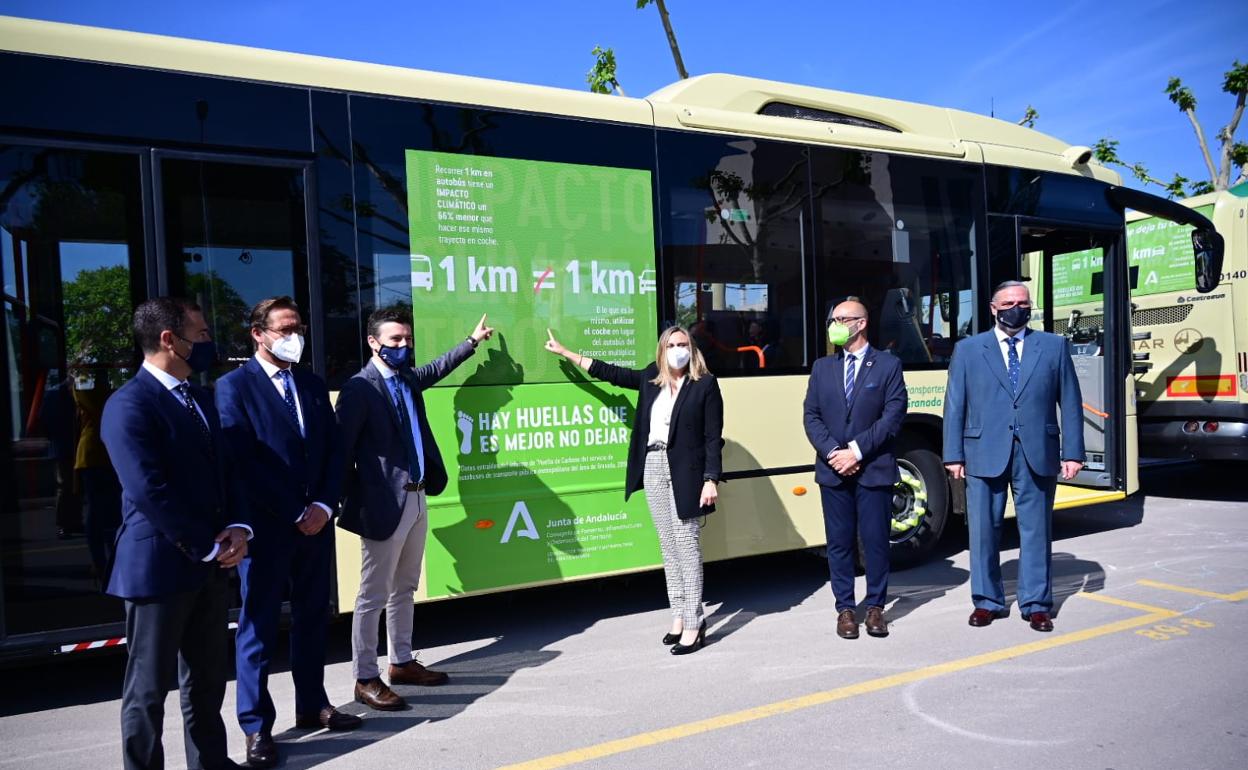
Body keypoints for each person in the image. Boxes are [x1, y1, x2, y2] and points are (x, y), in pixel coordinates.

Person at [100, 297, 252, 770]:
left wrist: (238, 529)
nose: (208, 343)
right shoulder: (128, 405)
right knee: (147, 690)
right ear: (170, 339)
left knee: (207, 682)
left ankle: (211, 763)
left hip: (209, 563)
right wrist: (206, 545)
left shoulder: (200, 397)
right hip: (160, 568)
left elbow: (229, 470)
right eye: (201, 334)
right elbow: (148, 490)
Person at [215, 297, 360, 769]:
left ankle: (312, 703)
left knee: (313, 617)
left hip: (315, 525)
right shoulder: (233, 387)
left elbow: (334, 452)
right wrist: (295, 508)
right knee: (257, 629)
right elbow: (243, 462)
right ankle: (256, 727)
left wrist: (322, 505)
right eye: (284, 328)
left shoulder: (312, 385)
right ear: (258, 334)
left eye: (298, 326)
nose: (294, 334)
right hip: (266, 530)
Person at [336, 307, 494, 710]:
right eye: (395, 340)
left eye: (408, 339)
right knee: (372, 594)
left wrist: (471, 343)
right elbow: (341, 453)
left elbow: (437, 368)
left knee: (405, 587)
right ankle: (365, 677)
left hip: (419, 497)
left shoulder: (406, 378)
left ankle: (402, 662)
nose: (404, 346)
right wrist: (355, 501)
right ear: (373, 343)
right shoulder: (360, 389)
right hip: (385, 505)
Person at [544, 325, 724, 654]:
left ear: (692, 348)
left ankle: (695, 623)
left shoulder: (705, 385)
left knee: (687, 548)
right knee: (669, 548)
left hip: (688, 472)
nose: (677, 349)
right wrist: (568, 353)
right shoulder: (651, 378)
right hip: (653, 465)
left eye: (683, 344)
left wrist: (711, 478)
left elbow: (714, 437)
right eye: (671, 344)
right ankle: (679, 617)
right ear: (662, 349)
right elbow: (611, 374)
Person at [942, 281, 1084, 633]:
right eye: (1008, 302)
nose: (1016, 308)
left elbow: (1070, 401)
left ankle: (1036, 604)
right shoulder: (969, 349)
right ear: (993, 307)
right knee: (983, 531)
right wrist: (952, 455)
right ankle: (987, 602)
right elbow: (955, 404)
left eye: (1022, 302)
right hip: (983, 451)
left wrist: (1073, 452)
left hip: (1037, 451)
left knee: (1036, 531)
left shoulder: (1053, 346)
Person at [803, 300, 907, 639]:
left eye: (841, 319)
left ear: (861, 324)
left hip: (873, 467)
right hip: (833, 469)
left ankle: (876, 608)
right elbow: (811, 416)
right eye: (832, 319)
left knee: (875, 541)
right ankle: (845, 609)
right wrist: (835, 452)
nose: (834, 324)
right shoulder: (822, 367)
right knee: (839, 543)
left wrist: (857, 451)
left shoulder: (888, 365)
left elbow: (892, 416)